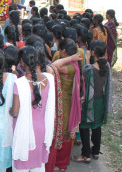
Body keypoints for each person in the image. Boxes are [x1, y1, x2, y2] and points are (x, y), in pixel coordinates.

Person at [10, 46, 55, 172]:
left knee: (21, 167)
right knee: (38, 166)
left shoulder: (19, 83)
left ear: (22, 62)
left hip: (23, 131)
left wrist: (9, 109)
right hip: (42, 130)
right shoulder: (49, 79)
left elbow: (14, 112)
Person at [72, 40, 112, 164]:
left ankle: (86, 154)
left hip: (89, 103)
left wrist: (88, 60)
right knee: (96, 126)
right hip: (100, 102)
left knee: (84, 126)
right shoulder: (107, 66)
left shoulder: (88, 68)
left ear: (93, 52)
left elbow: (82, 82)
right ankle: (95, 152)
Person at [52, 38, 84, 171]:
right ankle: (60, 162)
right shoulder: (73, 65)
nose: (59, 52)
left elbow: (53, 66)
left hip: (64, 102)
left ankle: (61, 163)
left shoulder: (69, 67)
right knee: (61, 130)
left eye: (60, 50)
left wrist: (69, 58)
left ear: (64, 51)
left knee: (62, 130)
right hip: (63, 100)